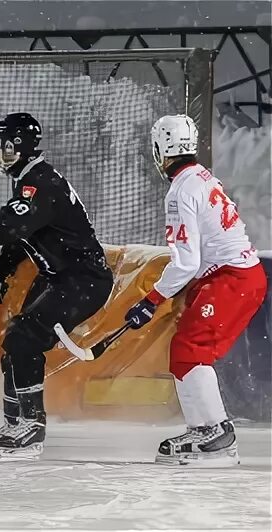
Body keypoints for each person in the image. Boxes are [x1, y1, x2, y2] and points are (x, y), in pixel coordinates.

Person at [0, 112, 114, 460]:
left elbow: (5, 229)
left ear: (20, 148)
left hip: (83, 279)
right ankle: (15, 423)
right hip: (62, 276)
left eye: (5, 147)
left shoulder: (39, 184)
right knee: (16, 338)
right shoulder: (32, 180)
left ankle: (30, 427)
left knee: (25, 338)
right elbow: (22, 235)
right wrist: (2, 269)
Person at [124, 114, 266, 466]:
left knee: (190, 350)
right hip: (236, 277)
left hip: (231, 280)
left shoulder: (181, 190)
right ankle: (205, 429)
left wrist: (152, 299)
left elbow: (186, 262)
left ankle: (216, 435)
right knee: (185, 349)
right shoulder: (201, 177)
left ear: (161, 149)